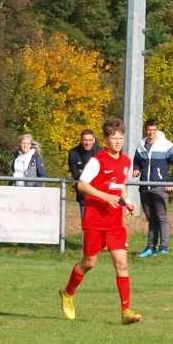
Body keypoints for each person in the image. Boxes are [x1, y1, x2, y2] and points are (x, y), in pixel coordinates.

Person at [62, 117, 142, 324]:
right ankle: (68, 292)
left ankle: (126, 311)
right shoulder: (97, 161)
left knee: (122, 264)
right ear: (105, 139)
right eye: (114, 138)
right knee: (89, 263)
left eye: (121, 137)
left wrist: (127, 201)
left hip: (115, 223)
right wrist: (105, 196)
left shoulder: (126, 161)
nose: (118, 141)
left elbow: (120, 184)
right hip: (94, 221)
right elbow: (81, 185)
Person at [134, 119, 173, 257]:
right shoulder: (141, 145)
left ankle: (163, 248)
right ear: (145, 129)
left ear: (157, 129)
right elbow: (137, 160)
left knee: (161, 217)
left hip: (159, 187)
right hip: (144, 187)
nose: (151, 132)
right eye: (149, 130)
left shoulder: (166, 145)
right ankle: (150, 248)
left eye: (153, 130)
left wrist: (172, 182)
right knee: (151, 218)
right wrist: (136, 169)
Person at [68, 128, 100, 220]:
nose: (87, 143)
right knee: (86, 225)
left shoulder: (101, 152)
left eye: (90, 140)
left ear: (94, 140)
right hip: (83, 197)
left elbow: (101, 175)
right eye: (85, 140)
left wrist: (84, 172)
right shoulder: (73, 153)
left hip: (100, 196)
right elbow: (76, 176)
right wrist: (91, 172)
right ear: (81, 140)